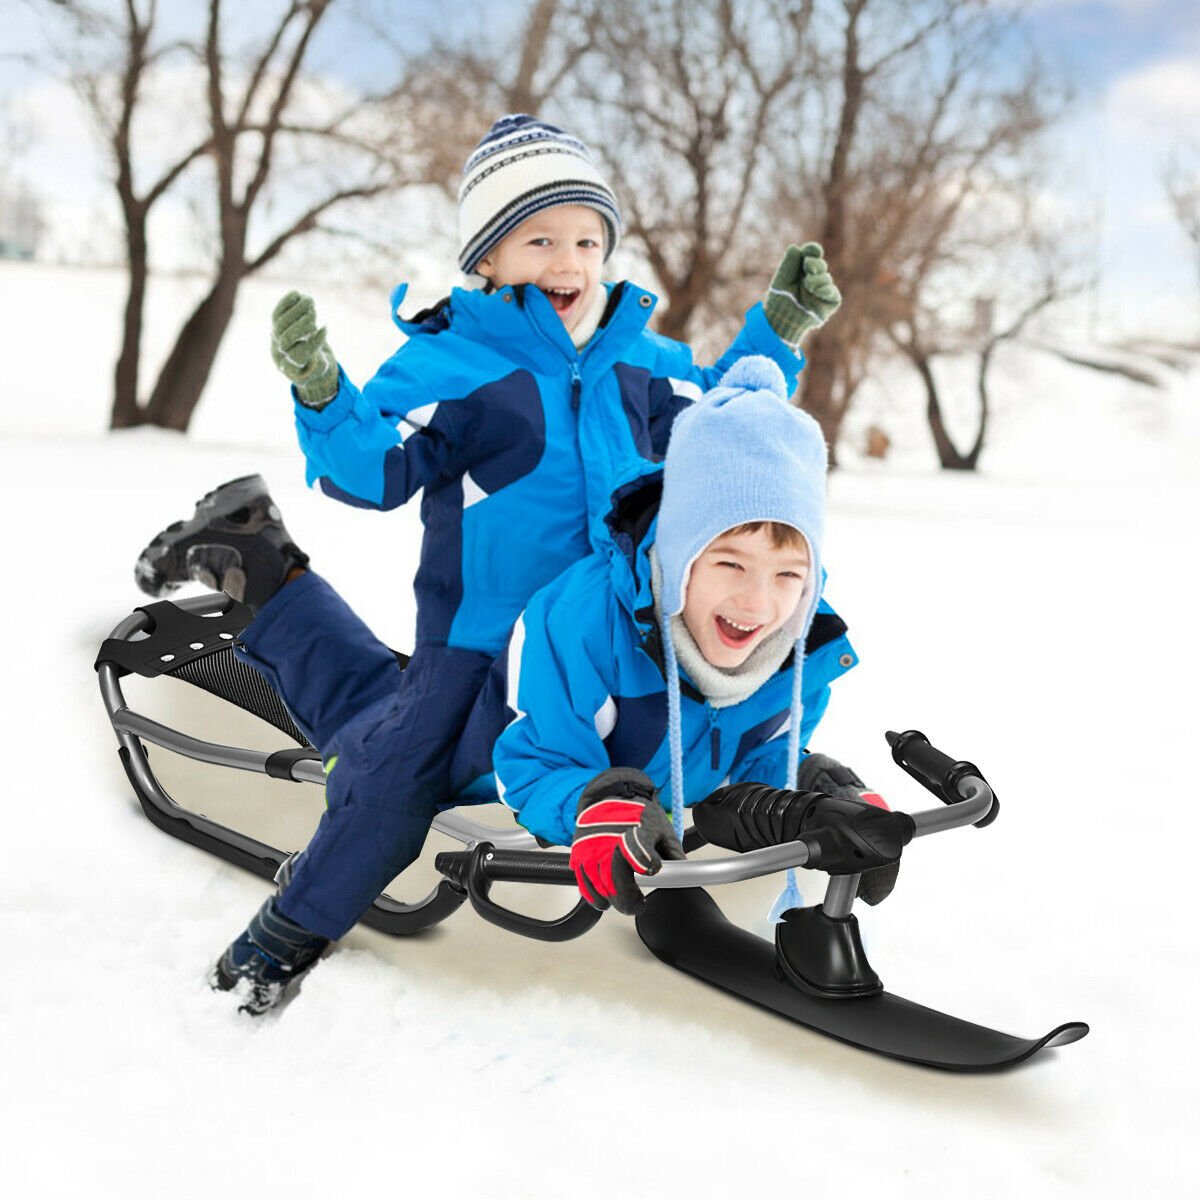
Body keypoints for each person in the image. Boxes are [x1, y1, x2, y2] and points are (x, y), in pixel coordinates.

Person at [135, 114, 842, 1014]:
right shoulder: (455, 359)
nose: (568, 261)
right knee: (392, 777)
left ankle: (251, 549)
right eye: (539, 238)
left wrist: (774, 336)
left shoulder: (645, 362)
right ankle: (286, 932)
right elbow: (378, 471)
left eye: (587, 239)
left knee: (533, 747)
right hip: (478, 643)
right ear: (488, 259)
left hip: (611, 634)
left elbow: (721, 428)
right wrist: (323, 394)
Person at [493, 355, 894, 914]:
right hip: (527, 794)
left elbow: (753, 759)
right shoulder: (581, 625)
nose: (758, 604)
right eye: (730, 565)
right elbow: (536, 760)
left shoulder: (800, 653)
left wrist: (805, 793)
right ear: (680, 556)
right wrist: (597, 804)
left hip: (671, 827)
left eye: (787, 576)